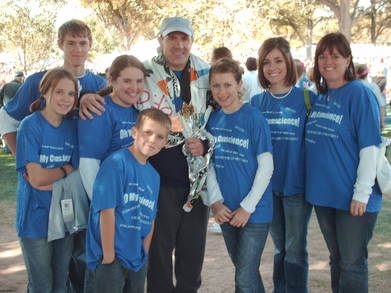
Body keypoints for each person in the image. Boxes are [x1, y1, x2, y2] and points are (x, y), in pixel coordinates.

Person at [80, 17, 212, 293]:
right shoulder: (147, 71)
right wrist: (87, 96)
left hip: (196, 182)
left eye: (184, 38)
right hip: (157, 179)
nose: (179, 44)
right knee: (158, 258)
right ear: (160, 40)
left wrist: (206, 143)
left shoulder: (206, 72)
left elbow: (225, 106)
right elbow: (120, 84)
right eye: (172, 38)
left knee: (192, 256)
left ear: (191, 41)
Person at [306, 32, 382, 293]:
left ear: (348, 59)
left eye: (335, 56)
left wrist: (362, 193)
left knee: (352, 263)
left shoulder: (360, 94)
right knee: (337, 259)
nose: (328, 62)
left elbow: (370, 147)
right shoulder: (321, 96)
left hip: (353, 199)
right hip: (325, 196)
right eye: (322, 56)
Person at [250, 37, 315, 293]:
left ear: (288, 62)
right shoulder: (256, 103)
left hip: (297, 186)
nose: (272, 67)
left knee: (295, 250)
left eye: (278, 60)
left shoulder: (308, 99)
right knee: (280, 248)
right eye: (266, 62)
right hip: (267, 188)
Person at [204, 57, 274, 292]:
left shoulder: (254, 118)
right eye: (216, 85)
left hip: (253, 212)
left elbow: (266, 167)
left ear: (239, 85)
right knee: (246, 271)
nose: (222, 92)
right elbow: (209, 163)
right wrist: (214, 200)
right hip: (226, 210)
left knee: (244, 277)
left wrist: (248, 207)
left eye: (227, 85)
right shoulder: (213, 119)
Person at [86, 108, 171, 293]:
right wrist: (108, 256)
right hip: (110, 257)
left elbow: (151, 217)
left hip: (136, 259)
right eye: (147, 132)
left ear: (165, 142)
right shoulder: (116, 163)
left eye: (160, 136)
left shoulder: (154, 175)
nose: (152, 140)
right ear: (134, 132)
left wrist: (144, 252)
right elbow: (106, 210)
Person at [0, 19, 106, 156]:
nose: (78, 49)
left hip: (85, 167)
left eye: (83, 43)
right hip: (47, 167)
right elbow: (5, 119)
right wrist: (23, 160)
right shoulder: (38, 81)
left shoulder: (100, 85)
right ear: (61, 44)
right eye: (71, 43)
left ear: (90, 45)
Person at [15, 68, 79, 292]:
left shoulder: (73, 127)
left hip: (64, 216)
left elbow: (77, 173)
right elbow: (38, 177)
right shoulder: (30, 126)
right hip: (35, 218)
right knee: (42, 284)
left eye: (71, 94)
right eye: (59, 92)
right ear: (45, 92)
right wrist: (65, 168)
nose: (65, 99)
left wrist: (52, 176)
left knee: (61, 281)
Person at [78, 55, 150, 200]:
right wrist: (104, 206)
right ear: (111, 79)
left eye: (139, 81)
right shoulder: (99, 110)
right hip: (109, 200)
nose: (134, 88)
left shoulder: (138, 111)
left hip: (131, 197)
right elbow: (88, 165)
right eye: (127, 81)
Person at [356, 63, 387, 130]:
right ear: (367, 74)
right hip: (370, 123)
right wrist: (382, 122)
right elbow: (381, 106)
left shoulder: (349, 87)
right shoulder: (373, 87)